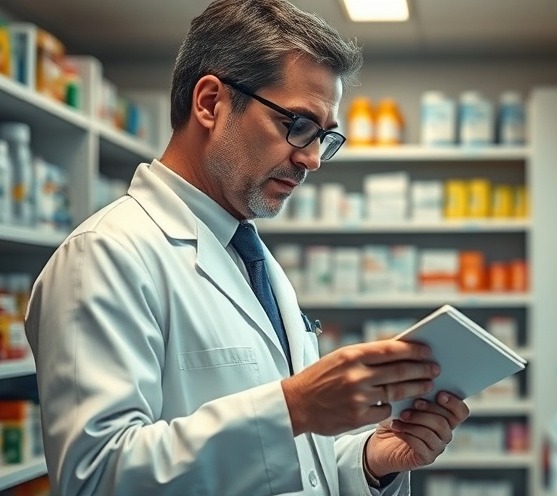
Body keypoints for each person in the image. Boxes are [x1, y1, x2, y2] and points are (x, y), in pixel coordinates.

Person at [24, 1, 469, 494]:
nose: (313, 160)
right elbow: (96, 478)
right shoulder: (104, 256)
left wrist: (369, 461)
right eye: (297, 124)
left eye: (325, 137)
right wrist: (294, 406)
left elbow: (291, 458)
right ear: (211, 102)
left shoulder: (252, 258)